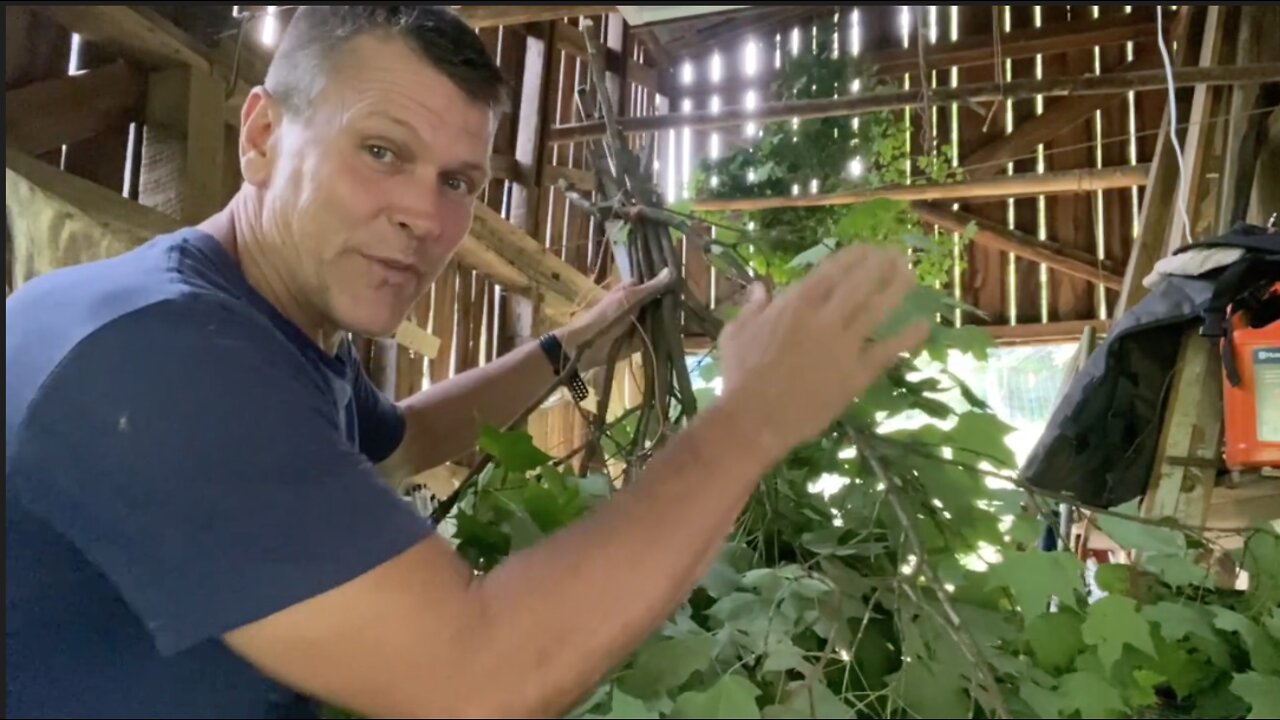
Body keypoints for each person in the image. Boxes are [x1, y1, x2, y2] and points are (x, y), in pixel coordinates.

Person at [4, 6, 929, 719]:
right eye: (380, 151)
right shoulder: (161, 362)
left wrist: (576, 340)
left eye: (457, 181)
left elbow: (409, 437)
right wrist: (754, 420)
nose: (425, 215)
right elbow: (476, 676)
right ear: (260, 137)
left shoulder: (257, 331)